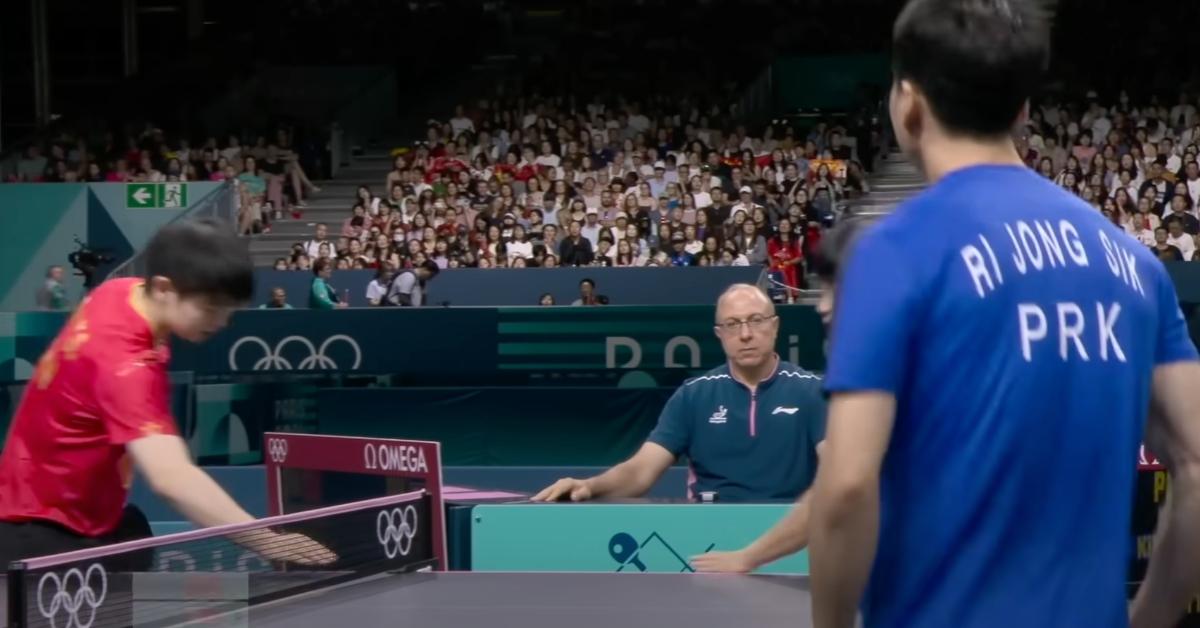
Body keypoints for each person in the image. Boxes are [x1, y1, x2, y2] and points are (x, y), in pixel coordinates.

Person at [807, 2, 1200, 628]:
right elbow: (1196, 462)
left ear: (908, 102)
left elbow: (849, 484)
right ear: (1021, 111)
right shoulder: (1135, 264)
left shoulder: (893, 250)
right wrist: (1148, 617)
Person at [0, 219, 333, 565]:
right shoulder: (123, 364)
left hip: (73, 510)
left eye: (229, 313)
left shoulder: (120, 292)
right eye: (210, 309)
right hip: (43, 536)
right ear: (163, 288)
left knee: (134, 538)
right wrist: (271, 544)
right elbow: (171, 478)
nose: (220, 323)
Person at [533, 283, 825, 503]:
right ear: (719, 335)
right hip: (709, 537)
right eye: (732, 324)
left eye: (756, 320)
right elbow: (641, 471)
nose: (745, 334)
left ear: (775, 327)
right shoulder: (693, 396)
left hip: (792, 535)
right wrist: (589, 486)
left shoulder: (811, 391)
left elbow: (839, 473)